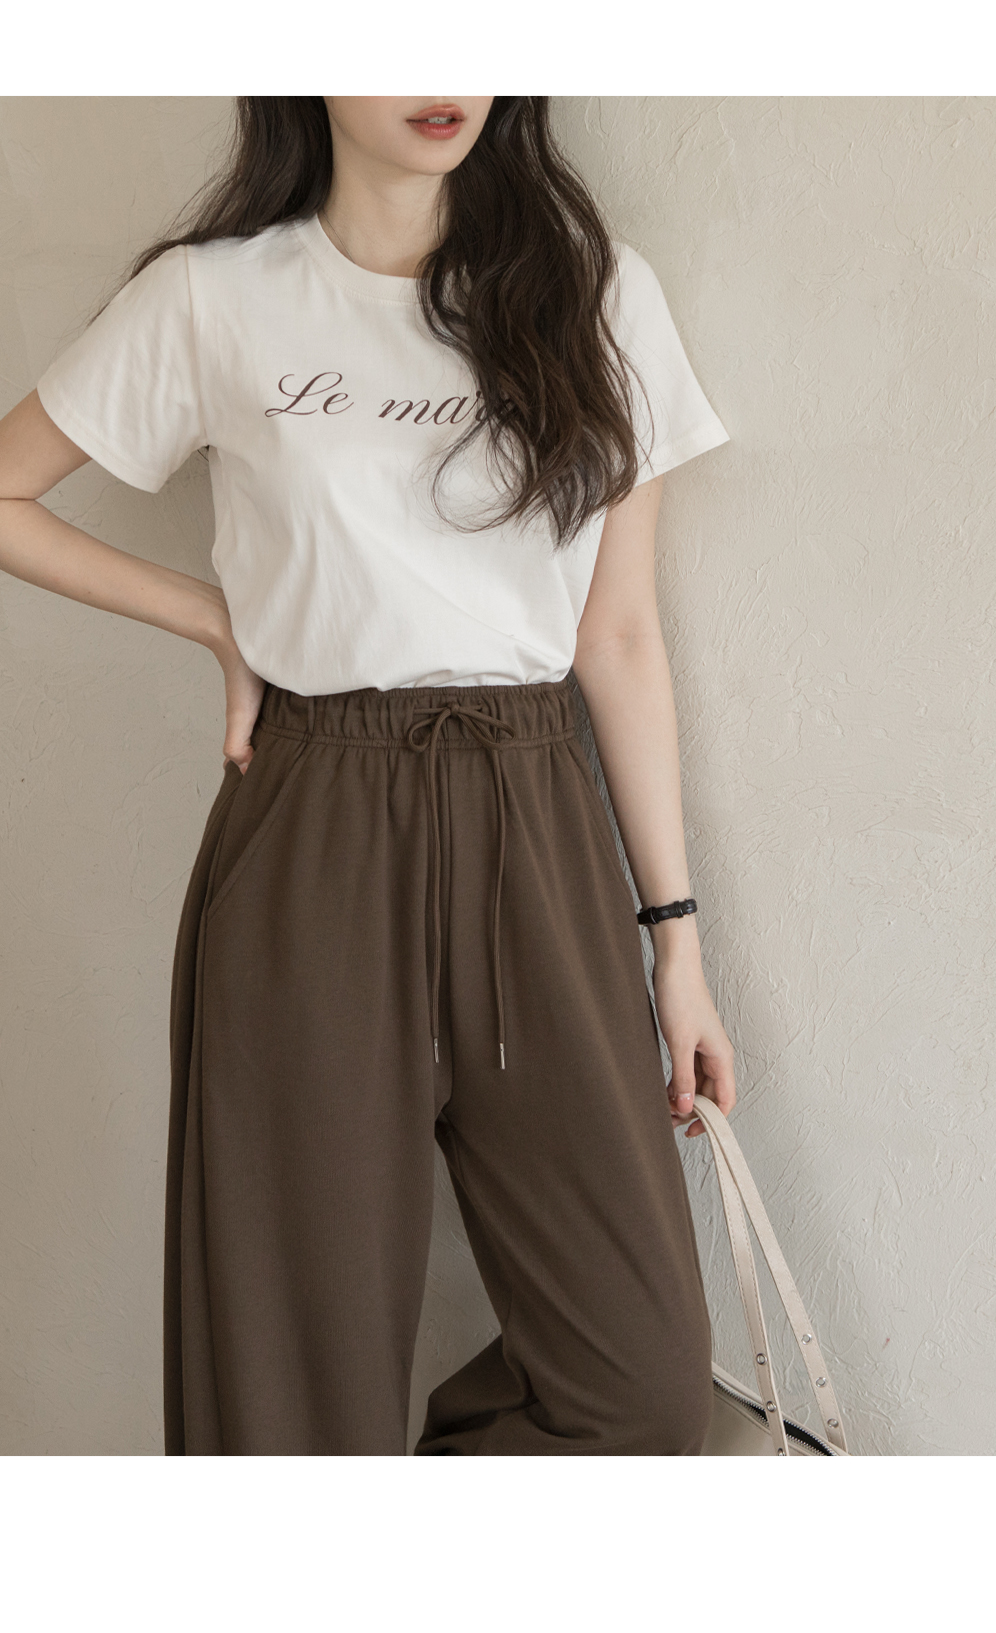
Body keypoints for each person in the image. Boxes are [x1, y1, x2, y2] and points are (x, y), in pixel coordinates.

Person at [0, 96, 736, 1456]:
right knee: (292, 1391)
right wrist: (214, 619)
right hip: (315, 822)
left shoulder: (594, 289)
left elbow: (619, 636)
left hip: (536, 815)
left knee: (639, 1384)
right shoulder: (215, 298)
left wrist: (676, 942)